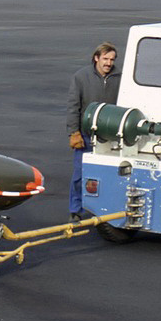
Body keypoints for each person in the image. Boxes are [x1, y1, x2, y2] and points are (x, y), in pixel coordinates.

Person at [66, 42, 120, 220]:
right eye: (105, 58)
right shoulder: (81, 77)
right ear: (96, 58)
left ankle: (105, 209)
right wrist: (74, 132)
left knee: (110, 175)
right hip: (86, 136)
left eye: (111, 59)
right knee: (80, 175)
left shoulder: (120, 77)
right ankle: (76, 209)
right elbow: (73, 107)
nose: (108, 63)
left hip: (110, 136)